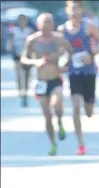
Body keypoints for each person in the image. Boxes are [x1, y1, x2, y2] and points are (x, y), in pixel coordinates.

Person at [58, 0, 99, 155]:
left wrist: (91, 55)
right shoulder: (62, 30)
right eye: (71, 9)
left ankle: (90, 102)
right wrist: (61, 62)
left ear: (81, 10)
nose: (74, 12)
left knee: (89, 111)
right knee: (75, 107)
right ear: (67, 11)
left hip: (88, 72)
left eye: (77, 8)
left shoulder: (88, 26)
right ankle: (81, 144)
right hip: (73, 73)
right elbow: (60, 50)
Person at [20, 13, 72, 156]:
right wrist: (35, 62)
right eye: (44, 22)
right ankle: (52, 143)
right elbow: (24, 58)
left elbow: (69, 51)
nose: (46, 25)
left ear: (53, 24)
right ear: (38, 24)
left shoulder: (58, 38)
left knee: (56, 106)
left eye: (49, 22)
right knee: (47, 115)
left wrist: (64, 64)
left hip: (55, 79)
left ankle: (60, 122)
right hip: (41, 81)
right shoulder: (32, 40)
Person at [7, 14, 35, 107]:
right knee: (19, 74)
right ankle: (20, 91)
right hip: (17, 55)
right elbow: (10, 41)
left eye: (24, 20)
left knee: (27, 75)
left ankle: (25, 92)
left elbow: (32, 43)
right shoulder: (14, 30)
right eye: (20, 20)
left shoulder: (29, 31)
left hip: (27, 56)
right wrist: (10, 46)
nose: (22, 22)